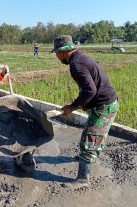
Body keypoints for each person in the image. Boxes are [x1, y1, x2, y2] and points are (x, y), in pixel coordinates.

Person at [51, 35, 119, 189]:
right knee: (93, 137)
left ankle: (83, 179)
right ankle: (89, 157)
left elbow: (90, 89)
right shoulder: (81, 58)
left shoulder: (76, 65)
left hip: (103, 107)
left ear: (62, 52)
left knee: (89, 140)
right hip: (104, 104)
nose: (56, 56)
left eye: (56, 53)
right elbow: (92, 86)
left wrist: (72, 106)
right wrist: (86, 103)